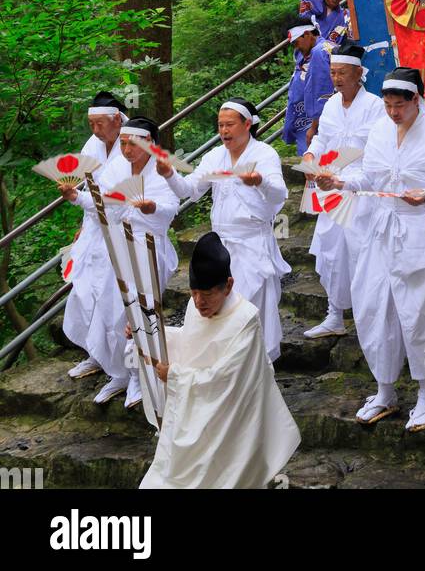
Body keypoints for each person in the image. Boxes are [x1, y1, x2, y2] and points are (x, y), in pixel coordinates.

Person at [315, 67, 425, 432]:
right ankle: (384, 389)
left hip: (418, 236)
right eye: (388, 104)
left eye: (400, 105)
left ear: (416, 100)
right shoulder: (380, 131)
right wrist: (341, 180)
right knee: (373, 309)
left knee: (420, 316)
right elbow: (370, 176)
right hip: (379, 231)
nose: (393, 112)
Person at [139, 232, 300, 490]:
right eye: (193, 293)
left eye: (207, 294)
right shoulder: (196, 307)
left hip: (234, 416)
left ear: (228, 285)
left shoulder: (245, 319)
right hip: (201, 407)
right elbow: (191, 342)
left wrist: (176, 376)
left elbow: (226, 378)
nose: (199, 302)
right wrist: (150, 334)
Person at [155, 97, 291, 362]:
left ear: (247, 124)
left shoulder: (264, 154)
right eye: (220, 125)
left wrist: (260, 181)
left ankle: (257, 367)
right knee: (219, 312)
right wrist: (169, 174)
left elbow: (279, 195)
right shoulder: (214, 156)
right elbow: (190, 191)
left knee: (250, 309)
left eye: (230, 124)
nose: (224, 131)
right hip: (221, 248)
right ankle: (222, 368)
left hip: (252, 244)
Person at [61, 115, 179, 405]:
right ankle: (121, 374)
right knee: (114, 313)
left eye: (133, 144)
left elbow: (172, 206)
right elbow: (102, 203)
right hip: (117, 248)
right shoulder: (117, 168)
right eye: (124, 143)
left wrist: (153, 208)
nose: (126, 150)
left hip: (148, 249)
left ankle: (144, 378)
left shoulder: (161, 171)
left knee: (140, 315)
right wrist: (77, 197)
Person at [300, 36, 385, 339]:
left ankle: (369, 317)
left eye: (342, 73)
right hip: (330, 186)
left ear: (359, 74)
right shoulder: (332, 105)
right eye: (333, 72)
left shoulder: (376, 106)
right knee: (331, 251)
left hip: (361, 189)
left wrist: (347, 180)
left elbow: (377, 152)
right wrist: (311, 154)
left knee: (361, 253)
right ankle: (334, 314)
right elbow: (323, 138)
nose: (336, 78)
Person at [62, 92, 129, 381]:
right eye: (91, 123)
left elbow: (119, 197)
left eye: (99, 123)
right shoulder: (93, 144)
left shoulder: (132, 143)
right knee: (84, 291)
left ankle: (125, 366)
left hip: (122, 229)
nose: (95, 130)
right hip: (94, 226)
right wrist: (83, 219)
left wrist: (78, 199)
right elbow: (91, 188)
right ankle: (96, 354)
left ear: (117, 119)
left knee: (113, 297)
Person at [282, 13, 334, 154]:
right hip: (307, 119)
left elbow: (323, 93)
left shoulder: (319, 52)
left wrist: (313, 127)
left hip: (316, 123)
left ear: (307, 34)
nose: (296, 48)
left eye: (296, 43)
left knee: (316, 167)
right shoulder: (321, 48)